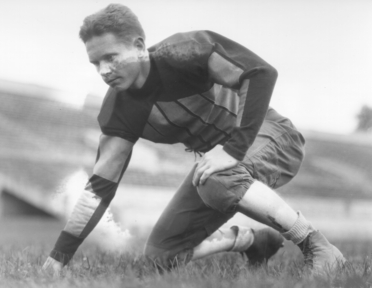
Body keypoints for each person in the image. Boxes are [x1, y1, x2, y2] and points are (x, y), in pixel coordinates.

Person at [42, 4, 345, 274]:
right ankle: (253, 242)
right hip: (220, 166)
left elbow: (261, 73)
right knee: (161, 255)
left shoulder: (183, 52)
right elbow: (99, 189)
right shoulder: (118, 110)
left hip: (273, 136)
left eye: (111, 57)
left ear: (138, 46)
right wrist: (59, 256)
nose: (104, 71)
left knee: (218, 180)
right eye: (96, 63)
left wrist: (233, 148)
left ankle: (317, 246)